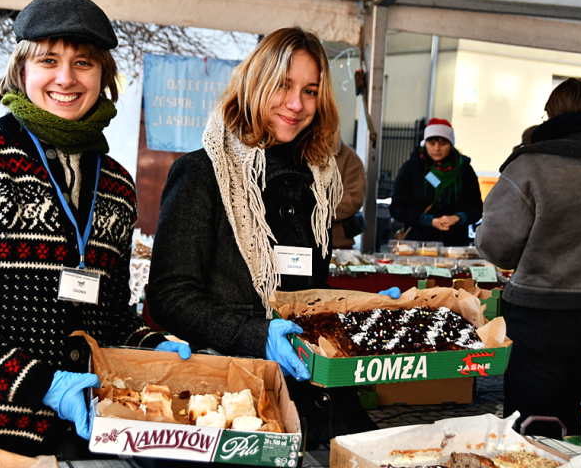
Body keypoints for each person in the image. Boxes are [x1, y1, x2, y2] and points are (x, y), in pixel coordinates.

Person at [0, 0, 190, 458]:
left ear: (103, 76)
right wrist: (42, 383)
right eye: (48, 60)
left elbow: (109, 315)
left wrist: (148, 345)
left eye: (83, 63)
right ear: (22, 70)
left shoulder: (117, 184)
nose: (65, 78)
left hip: (72, 433)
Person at [148, 27, 382, 445]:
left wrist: (362, 314)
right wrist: (257, 335)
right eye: (283, 85)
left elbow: (308, 295)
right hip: (236, 399)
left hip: (315, 393)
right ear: (255, 83)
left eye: (310, 91)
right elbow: (170, 297)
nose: (296, 104)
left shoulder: (319, 182)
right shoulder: (203, 173)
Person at [475, 78, 581, 438]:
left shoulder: (530, 166)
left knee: (534, 425)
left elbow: (497, 247)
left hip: (540, 316)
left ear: (549, 115)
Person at [390, 118, 482, 246]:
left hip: (455, 245)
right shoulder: (411, 168)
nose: (436, 148)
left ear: (451, 144)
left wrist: (457, 218)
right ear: (425, 143)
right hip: (418, 244)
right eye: (431, 143)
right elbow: (397, 208)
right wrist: (428, 220)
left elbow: (476, 208)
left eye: (443, 143)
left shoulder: (465, 170)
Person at [332, 143, 366, 249]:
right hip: (294, 243)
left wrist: (317, 210)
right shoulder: (297, 151)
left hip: (336, 243)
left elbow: (354, 199)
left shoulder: (347, 156)